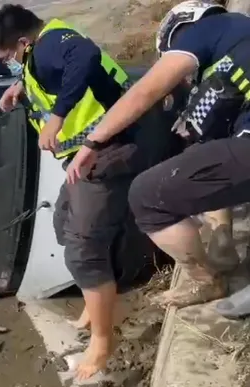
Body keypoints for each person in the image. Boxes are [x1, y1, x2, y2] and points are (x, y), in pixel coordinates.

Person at [0, 4, 149, 380]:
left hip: (109, 149)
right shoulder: (45, 46)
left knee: (82, 250)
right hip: (88, 154)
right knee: (63, 224)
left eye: (9, 56)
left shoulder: (52, 44)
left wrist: (57, 117)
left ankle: (104, 342)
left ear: (24, 42)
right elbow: (56, 72)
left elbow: (85, 56)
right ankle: (97, 301)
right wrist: (21, 85)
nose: (9, 62)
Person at [68, 2, 250, 310]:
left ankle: (206, 282)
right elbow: (214, 151)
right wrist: (223, 242)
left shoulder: (206, 31)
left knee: (146, 195)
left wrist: (93, 142)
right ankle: (222, 253)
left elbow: (144, 92)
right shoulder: (237, 46)